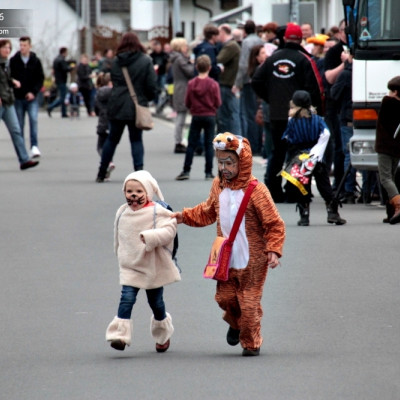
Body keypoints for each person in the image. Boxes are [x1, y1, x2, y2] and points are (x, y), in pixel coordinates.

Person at [172, 132, 285, 356]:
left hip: (252, 260)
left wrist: (273, 249)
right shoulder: (218, 186)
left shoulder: (257, 191)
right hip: (225, 257)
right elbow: (207, 211)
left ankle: (251, 342)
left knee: (249, 303)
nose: (224, 167)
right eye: (220, 162)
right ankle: (235, 322)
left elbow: (274, 223)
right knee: (224, 298)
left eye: (229, 162)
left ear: (242, 162)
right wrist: (183, 216)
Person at [105, 170, 181, 352]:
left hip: (151, 266)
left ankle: (163, 333)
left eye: (139, 192)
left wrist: (151, 237)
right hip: (130, 266)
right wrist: (118, 252)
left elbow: (170, 229)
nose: (133, 195)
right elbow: (118, 236)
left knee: (156, 303)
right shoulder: (122, 212)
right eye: (129, 191)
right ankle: (120, 336)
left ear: (147, 193)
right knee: (126, 299)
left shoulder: (157, 211)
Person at [251, 23, 323, 203]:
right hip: (299, 116)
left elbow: (256, 81)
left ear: (284, 38)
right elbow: (316, 89)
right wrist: (316, 112)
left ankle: (273, 191)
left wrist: (270, 98)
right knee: (297, 153)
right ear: (300, 39)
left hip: (276, 114)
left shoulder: (272, 58)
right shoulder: (305, 59)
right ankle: (293, 191)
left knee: (277, 152)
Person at [96, 32, 157, 182]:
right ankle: (139, 173)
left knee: (112, 139)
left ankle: (101, 172)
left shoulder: (117, 61)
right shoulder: (146, 60)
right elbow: (151, 85)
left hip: (117, 104)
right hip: (136, 105)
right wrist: (146, 99)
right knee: (136, 140)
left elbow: (115, 82)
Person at [282, 90, 346, 226]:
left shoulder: (292, 121)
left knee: (303, 186)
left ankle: (304, 216)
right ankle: (332, 212)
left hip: (300, 158)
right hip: (317, 158)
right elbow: (326, 134)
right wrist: (317, 151)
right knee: (324, 185)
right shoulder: (317, 120)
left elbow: (287, 138)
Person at [175, 55, 221, 181]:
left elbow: (187, 101)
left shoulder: (191, 83)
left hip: (196, 115)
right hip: (210, 115)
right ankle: (208, 171)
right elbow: (218, 102)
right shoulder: (213, 84)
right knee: (208, 144)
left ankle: (186, 170)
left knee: (191, 144)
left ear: (196, 67)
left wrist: (193, 108)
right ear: (210, 68)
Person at [0, 39, 39, 170]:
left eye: (9, 48)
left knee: (16, 130)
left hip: (8, 101)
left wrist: (12, 81)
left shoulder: (6, 63)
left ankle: (24, 160)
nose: (7, 50)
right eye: (4, 48)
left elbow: (4, 79)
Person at [323, 19, 350, 193]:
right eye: (344, 30)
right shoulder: (334, 52)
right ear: (339, 33)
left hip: (353, 104)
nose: (347, 33)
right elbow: (329, 78)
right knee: (339, 147)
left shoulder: (363, 47)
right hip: (336, 106)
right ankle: (340, 185)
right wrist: (344, 64)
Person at [10, 36, 44, 158]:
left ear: (30, 46)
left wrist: (33, 92)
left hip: (32, 97)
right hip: (18, 98)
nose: (22, 48)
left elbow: (40, 78)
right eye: (21, 45)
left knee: (33, 120)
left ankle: (34, 146)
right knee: (19, 124)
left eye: (24, 45)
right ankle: (22, 148)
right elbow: (9, 77)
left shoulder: (35, 61)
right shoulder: (14, 61)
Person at [233, 20, 264, 154]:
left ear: (244, 31)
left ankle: (253, 145)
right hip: (260, 79)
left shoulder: (245, 42)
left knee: (249, 114)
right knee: (259, 112)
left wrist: (238, 83)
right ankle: (258, 143)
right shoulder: (260, 41)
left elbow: (243, 64)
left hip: (248, 80)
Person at [330, 54, 357, 204]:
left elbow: (334, 94)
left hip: (347, 116)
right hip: (365, 116)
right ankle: (367, 189)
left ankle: (348, 189)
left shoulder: (346, 74)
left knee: (349, 153)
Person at [375, 76, 400, 224]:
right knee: (391, 177)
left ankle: (398, 205)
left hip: (384, 146)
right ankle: (391, 212)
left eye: (391, 90)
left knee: (385, 178)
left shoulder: (387, 102)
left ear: (395, 91)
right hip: (397, 148)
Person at [168, 37, 195, 154]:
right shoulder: (180, 59)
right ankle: (178, 142)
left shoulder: (177, 58)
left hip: (179, 87)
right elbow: (190, 72)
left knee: (181, 116)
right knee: (181, 117)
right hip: (183, 89)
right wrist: (193, 64)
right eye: (184, 46)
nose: (186, 48)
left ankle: (179, 141)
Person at [216, 23, 241, 135]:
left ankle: (234, 141)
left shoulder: (230, 46)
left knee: (229, 114)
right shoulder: (232, 45)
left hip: (228, 83)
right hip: (230, 83)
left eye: (218, 33)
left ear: (222, 33)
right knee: (230, 114)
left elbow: (218, 59)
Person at [47, 47, 74, 118]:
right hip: (62, 80)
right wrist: (71, 67)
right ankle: (53, 108)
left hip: (58, 80)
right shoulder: (61, 60)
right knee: (62, 97)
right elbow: (65, 68)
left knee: (62, 97)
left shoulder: (56, 59)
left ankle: (61, 111)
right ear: (64, 52)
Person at [150, 40, 169, 107]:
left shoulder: (164, 55)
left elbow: (166, 62)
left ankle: (163, 102)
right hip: (155, 74)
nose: (158, 49)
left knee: (163, 88)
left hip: (163, 73)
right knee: (156, 88)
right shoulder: (152, 55)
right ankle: (155, 101)